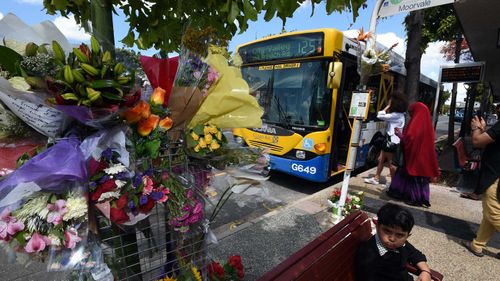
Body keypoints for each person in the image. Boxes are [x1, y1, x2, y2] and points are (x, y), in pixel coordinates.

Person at [355, 203, 432, 281]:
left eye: (399, 235)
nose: (392, 239)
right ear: (377, 226)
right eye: (387, 231)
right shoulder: (368, 254)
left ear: (407, 236)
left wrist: (425, 271)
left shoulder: (402, 245)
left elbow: (415, 254)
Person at [387, 102, 440, 208]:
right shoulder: (427, 124)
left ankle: (413, 198)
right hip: (422, 158)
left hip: (414, 157)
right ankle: (419, 197)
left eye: (411, 112)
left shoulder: (415, 123)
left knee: (410, 175)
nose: (410, 114)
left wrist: (400, 135)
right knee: (418, 177)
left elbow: (409, 139)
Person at [462, 115, 500, 259]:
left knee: (493, 212)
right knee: (490, 213)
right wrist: (483, 130)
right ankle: (477, 244)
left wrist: (476, 128)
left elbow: (477, 141)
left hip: (495, 175)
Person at [365, 93, 408, 186]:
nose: (388, 102)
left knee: (390, 163)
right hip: (389, 140)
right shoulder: (399, 115)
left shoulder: (396, 115)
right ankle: (376, 178)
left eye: (390, 101)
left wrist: (387, 106)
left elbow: (379, 115)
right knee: (381, 159)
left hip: (391, 142)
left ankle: (394, 183)